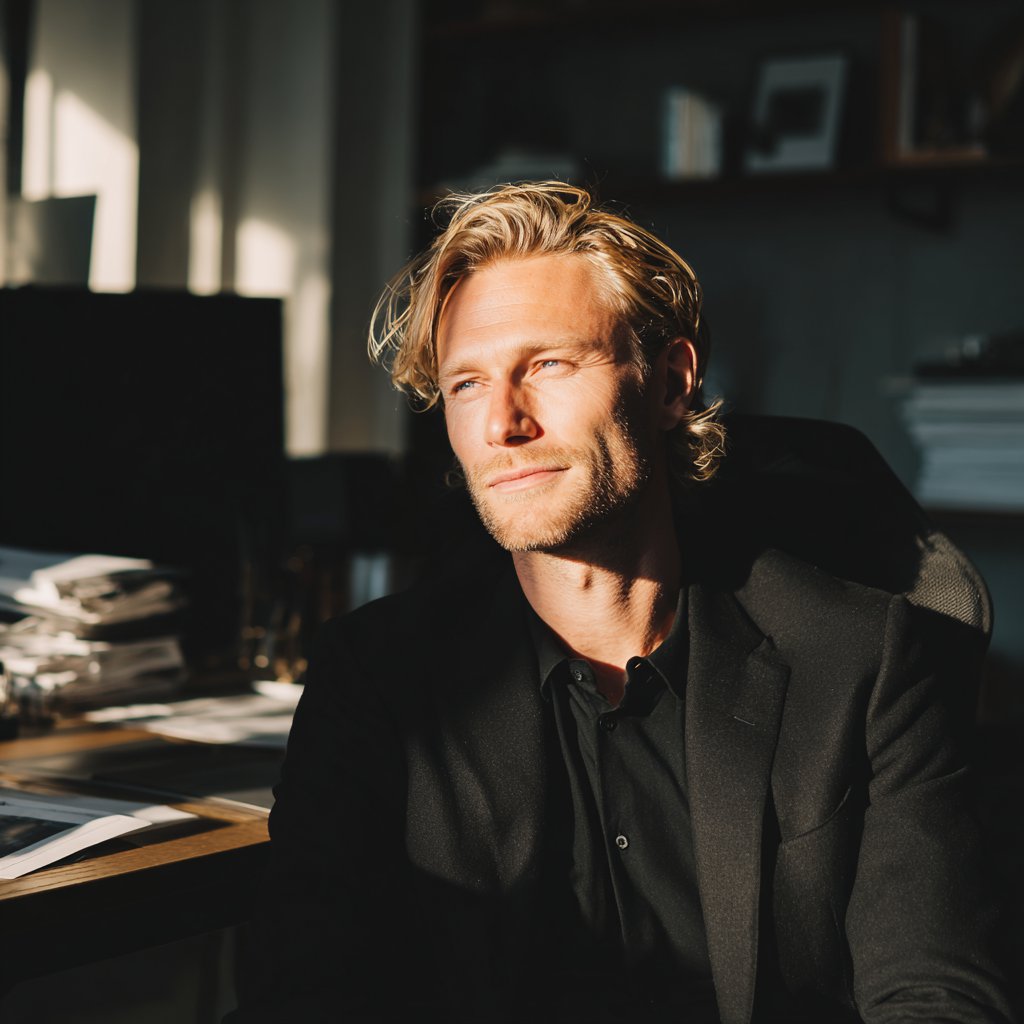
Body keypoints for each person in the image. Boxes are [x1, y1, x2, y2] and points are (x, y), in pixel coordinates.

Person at [228, 182, 1015, 1023]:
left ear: (671, 383)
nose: (503, 422)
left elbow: (940, 997)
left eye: (548, 365)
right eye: (466, 384)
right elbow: (301, 993)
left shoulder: (863, 659)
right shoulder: (377, 678)